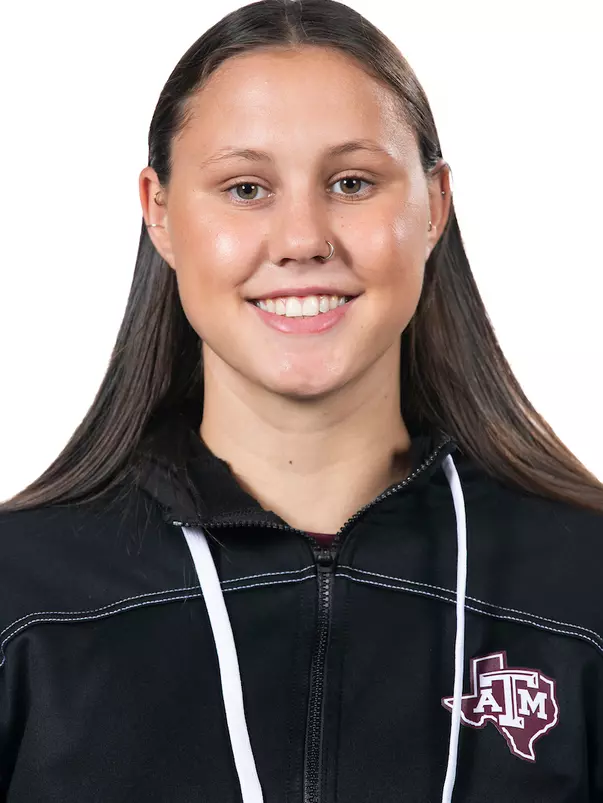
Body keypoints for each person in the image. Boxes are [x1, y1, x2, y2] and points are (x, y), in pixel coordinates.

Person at [1, 0, 602, 800]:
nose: (302, 238)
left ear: (435, 206)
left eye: (352, 182)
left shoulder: (578, 583)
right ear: (159, 211)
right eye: (246, 187)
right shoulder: (24, 595)